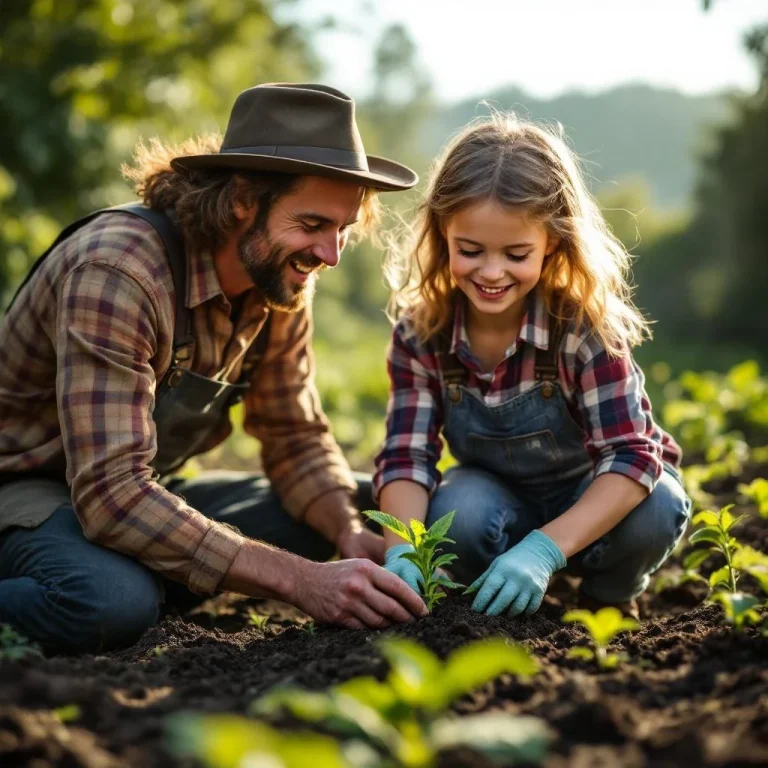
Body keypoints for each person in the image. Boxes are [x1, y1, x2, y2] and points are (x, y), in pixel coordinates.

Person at [0, 82, 428, 653]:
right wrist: (301, 580)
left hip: (140, 486)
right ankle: (127, 581)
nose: (330, 254)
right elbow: (111, 494)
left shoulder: (280, 279)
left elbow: (294, 436)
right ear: (242, 200)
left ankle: (147, 571)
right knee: (109, 602)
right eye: (312, 225)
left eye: (343, 230)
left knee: (365, 504)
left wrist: (347, 533)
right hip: (29, 488)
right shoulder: (119, 271)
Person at [373, 112, 691, 620]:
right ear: (442, 234)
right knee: (458, 517)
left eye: (516, 254)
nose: (491, 272)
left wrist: (544, 550)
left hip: (596, 502)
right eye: (470, 250)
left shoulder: (583, 329)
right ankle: (492, 596)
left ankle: (607, 596)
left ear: (553, 244)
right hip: (497, 505)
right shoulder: (422, 334)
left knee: (659, 507)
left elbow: (632, 457)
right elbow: (406, 456)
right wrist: (404, 550)